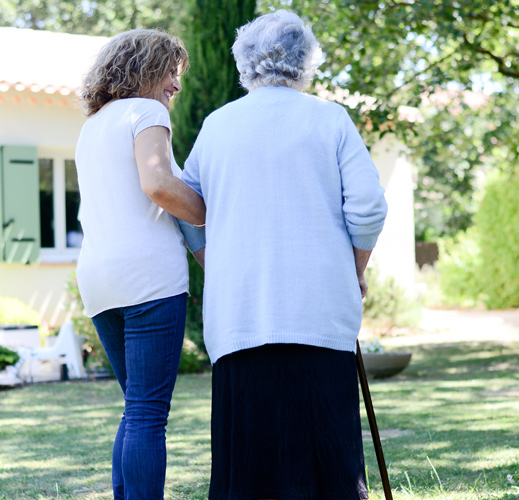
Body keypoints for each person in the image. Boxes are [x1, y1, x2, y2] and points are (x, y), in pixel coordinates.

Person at [181, 11, 388, 500]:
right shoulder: (329, 118)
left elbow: (185, 208)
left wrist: (218, 265)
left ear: (244, 61)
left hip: (240, 319)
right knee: (329, 471)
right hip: (320, 317)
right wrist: (354, 270)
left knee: (246, 474)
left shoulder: (217, 125)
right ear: (306, 60)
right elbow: (369, 206)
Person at [74, 28, 205, 500]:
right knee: (148, 413)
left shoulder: (93, 126)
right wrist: (219, 215)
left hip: (98, 280)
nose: (176, 84)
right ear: (146, 68)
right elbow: (158, 185)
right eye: (171, 71)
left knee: (136, 410)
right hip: (149, 278)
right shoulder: (146, 111)